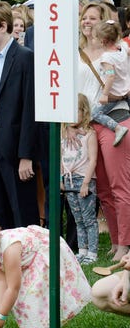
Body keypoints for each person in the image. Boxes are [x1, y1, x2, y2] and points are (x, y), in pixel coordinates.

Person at [0, 1, 39, 229]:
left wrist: (26, 155)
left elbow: (30, 109)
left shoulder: (24, 57)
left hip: (15, 143)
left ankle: (27, 257)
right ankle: (0, 259)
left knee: (21, 206)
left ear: (2, 26)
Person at [77, 1, 130, 261]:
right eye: (84, 17)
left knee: (120, 186)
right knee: (104, 189)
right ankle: (116, 240)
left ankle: (125, 245)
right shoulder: (73, 52)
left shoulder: (119, 52)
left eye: (93, 18)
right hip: (85, 127)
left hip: (115, 120)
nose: (87, 22)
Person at [61, 94, 99, 264]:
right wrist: (61, 179)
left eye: (76, 111)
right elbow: (60, 157)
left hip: (84, 180)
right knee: (77, 218)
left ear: (84, 112)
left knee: (88, 218)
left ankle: (92, 252)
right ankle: (82, 251)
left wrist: (86, 183)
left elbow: (93, 160)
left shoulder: (90, 134)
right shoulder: (62, 133)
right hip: (68, 180)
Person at [90, 20, 130, 145]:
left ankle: (117, 128)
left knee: (95, 114)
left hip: (113, 94)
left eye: (95, 37)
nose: (93, 40)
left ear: (103, 41)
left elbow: (110, 76)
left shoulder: (106, 58)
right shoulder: (121, 47)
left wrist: (105, 94)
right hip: (124, 89)